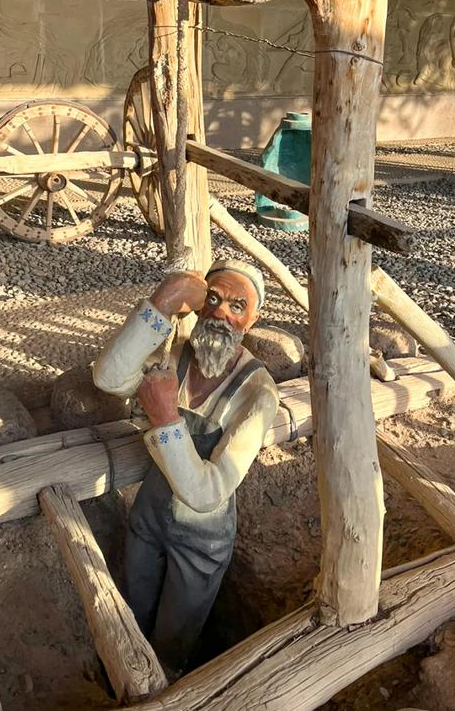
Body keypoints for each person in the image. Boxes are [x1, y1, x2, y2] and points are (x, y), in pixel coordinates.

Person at [93, 259, 279, 678]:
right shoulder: (175, 356)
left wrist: (165, 419)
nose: (220, 313)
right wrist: (164, 300)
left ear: (252, 319)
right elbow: (108, 377)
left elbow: (208, 492)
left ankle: (168, 687)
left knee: (174, 638)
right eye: (212, 299)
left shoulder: (258, 392)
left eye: (237, 306)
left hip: (201, 541)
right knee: (133, 608)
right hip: (148, 518)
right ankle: (122, 673)